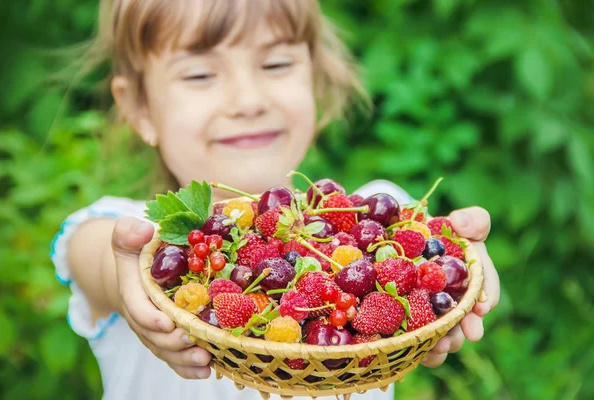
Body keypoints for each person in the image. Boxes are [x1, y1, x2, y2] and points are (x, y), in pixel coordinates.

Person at [50, 0, 500, 399]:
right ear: (139, 110)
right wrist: (134, 278)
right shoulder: (136, 238)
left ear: (317, 84)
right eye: (200, 74)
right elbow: (104, 260)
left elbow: (437, 256)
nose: (247, 101)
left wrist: (460, 271)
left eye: (276, 65)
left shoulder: (381, 217)